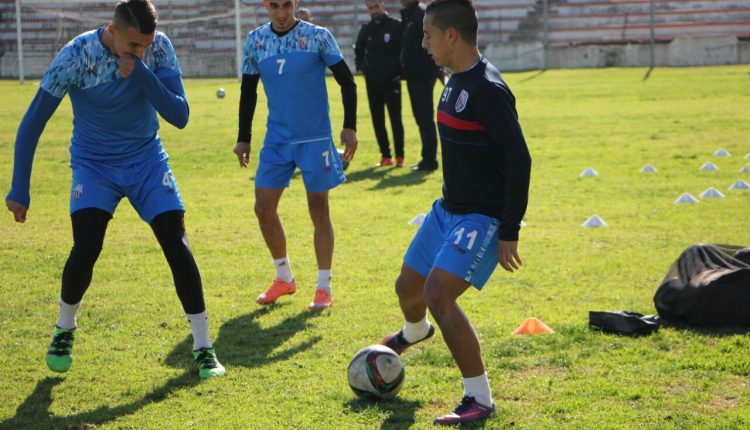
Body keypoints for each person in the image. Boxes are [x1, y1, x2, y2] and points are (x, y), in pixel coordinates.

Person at [5, 0, 225, 379]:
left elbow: (180, 115)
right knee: (87, 247)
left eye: (145, 45)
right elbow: (32, 122)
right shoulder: (76, 56)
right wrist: (19, 188)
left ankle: (204, 348)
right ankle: (64, 328)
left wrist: (142, 74)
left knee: (176, 243)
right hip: (95, 167)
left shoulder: (159, 49)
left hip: (147, 162)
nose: (141, 51)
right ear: (112, 31)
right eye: (133, 45)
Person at [379, 0, 531, 425]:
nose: (422, 43)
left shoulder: (489, 89)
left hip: (481, 218)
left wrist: (509, 229)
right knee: (407, 287)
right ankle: (415, 332)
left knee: (437, 295)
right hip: (446, 209)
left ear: (451, 35)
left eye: (427, 35)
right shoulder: (452, 79)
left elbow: (520, 160)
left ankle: (479, 398)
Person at [234, 0, 358, 310]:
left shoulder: (318, 37)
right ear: (265, 5)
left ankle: (323, 287)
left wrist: (349, 127)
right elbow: (248, 91)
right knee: (263, 207)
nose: (281, 13)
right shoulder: (256, 40)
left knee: (319, 208)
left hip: (315, 139)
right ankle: (284, 278)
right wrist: (244, 138)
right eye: (274, 6)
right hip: (277, 139)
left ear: (296, 3)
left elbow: (347, 81)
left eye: (287, 5)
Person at [355, 0, 405, 168]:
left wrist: (401, 72)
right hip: (373, 82)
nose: (374, 10)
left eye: (376, 6)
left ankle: (400, 156)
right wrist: (362, 68)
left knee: (396, 120)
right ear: (367, 9)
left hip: (392, 81)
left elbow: (404, 49)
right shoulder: (366, 28)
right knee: (378, 120)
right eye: (370, 8)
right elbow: (358, 50)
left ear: (382, 5)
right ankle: (385, 156)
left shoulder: (395, 25)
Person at [400, 0, 441, 171]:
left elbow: (430, 43)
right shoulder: (408, 14)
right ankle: (427, 158)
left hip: (423, 75)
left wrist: (436, 69)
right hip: (414, 75)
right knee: (421, 118)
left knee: (425, 118)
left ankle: (430, 160)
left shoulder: (421, 14)